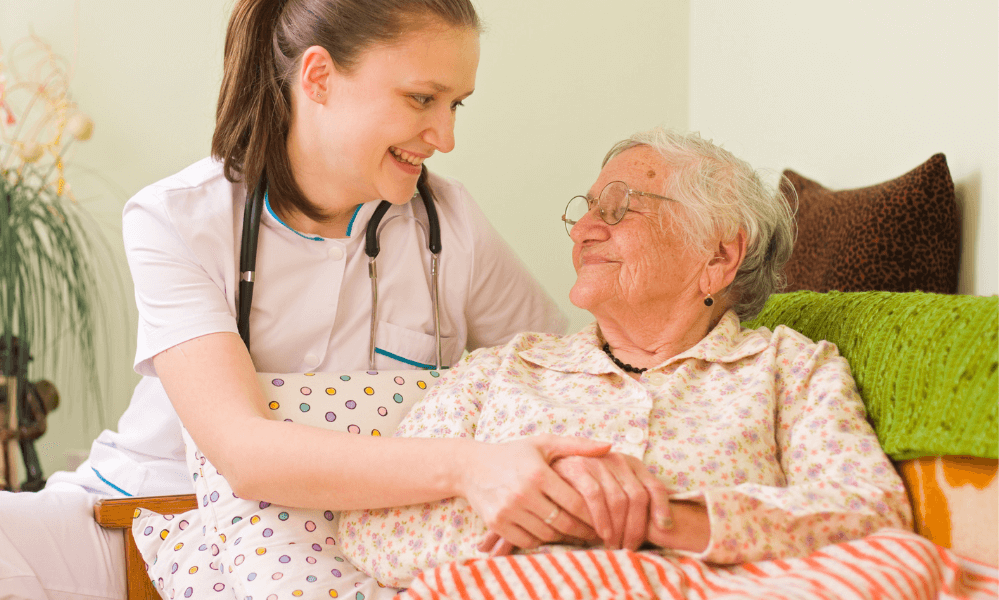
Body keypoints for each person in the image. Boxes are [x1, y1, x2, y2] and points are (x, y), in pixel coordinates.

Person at [0, 0, 616, 600]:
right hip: (146, 516)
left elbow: (559, 380)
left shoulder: (450, 225)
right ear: (318, 77)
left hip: (347, 541)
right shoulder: (177, 219)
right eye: (421, 98)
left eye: (455, 104)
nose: (445, 135)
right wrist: (470, 467)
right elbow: (244, 453)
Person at [337, 127, 914, 588]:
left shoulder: (790, 369)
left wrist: (663, 518)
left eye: (616, 209)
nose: (582, 231)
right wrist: (551, 507)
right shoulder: (503, 370)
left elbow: (872, 515)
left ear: (718, 252)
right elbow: (366, 527)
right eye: (584, 210)